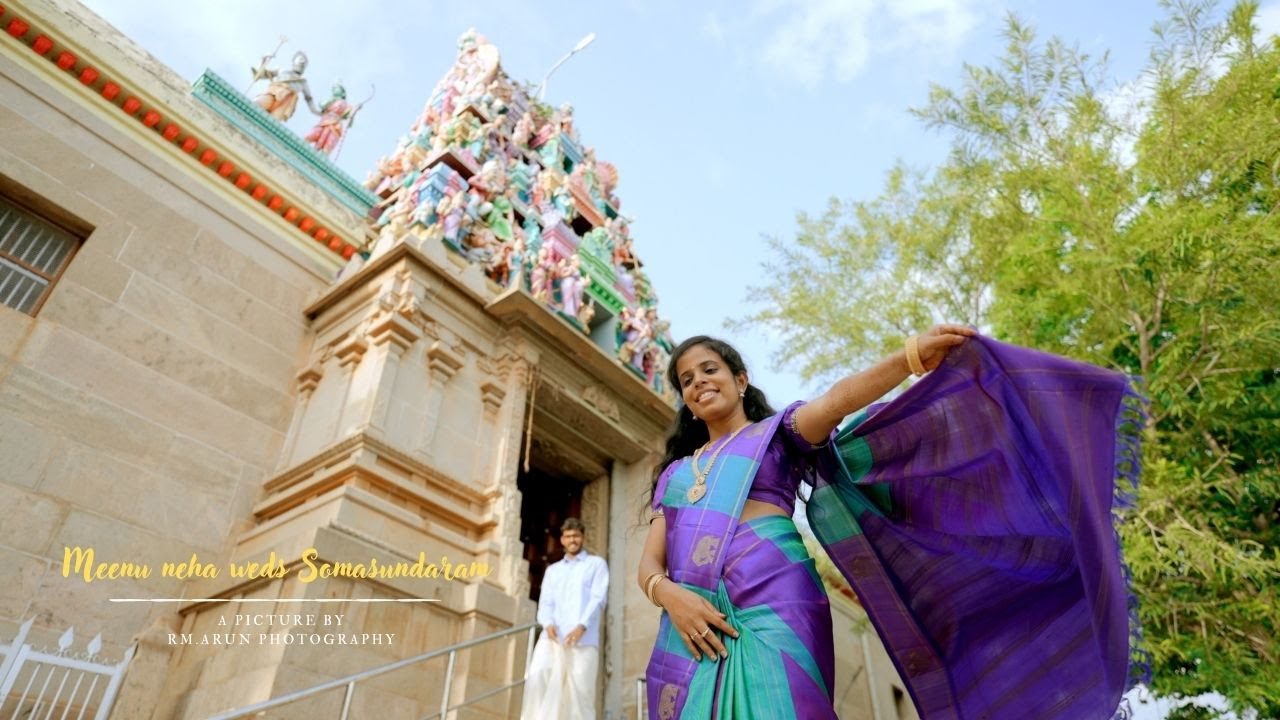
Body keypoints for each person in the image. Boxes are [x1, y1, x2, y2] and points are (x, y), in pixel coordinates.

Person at [638, 326, 1147, 720]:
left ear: (739, 379)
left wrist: (909, 358)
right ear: (684, 399)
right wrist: (671, 596)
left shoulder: (776, 434)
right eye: (687, 379)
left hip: (774, 597)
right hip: (691, 618)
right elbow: (649, 564)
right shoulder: (678, 475)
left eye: (710, 370)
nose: (700, 382)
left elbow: (837, 400)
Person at [522, 518, 609, 720]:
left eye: (576, 536)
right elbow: (546, 603)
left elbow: (598, 599)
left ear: (583, 538)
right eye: (568, 536)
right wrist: (548, 623)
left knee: (580, 692)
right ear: (561, 539)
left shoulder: (596, 565)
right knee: (538, 676)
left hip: (583, 640)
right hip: (552, 638)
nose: (573, 540)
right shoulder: (553, 571)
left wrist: (582, 626)